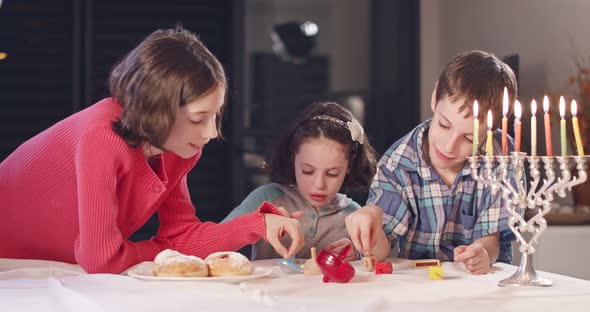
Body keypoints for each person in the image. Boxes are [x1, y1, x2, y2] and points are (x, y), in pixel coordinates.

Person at [0, 27, 304, 274]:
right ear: (158, 111)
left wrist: (258, 224)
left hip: (45, 270)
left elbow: (182, 236)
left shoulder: (175, 149)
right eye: (199, 118)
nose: (212, 133)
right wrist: (165, 250)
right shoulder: (100, 136)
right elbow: (102, 261)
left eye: (216, 115)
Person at [345, 50, 520, 274]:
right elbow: (379, 251)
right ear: (435, 95)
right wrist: (370, 221)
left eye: (468, 138)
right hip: (419, 287)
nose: (449, 146)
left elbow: (492, 239)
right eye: (444, 125)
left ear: (493, 130)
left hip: (480, 285)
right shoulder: (398, 164)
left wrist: (481, 253)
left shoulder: (501, 157)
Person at [223, 102, 378, 261]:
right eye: (307, 171)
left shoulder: (353, 214)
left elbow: (382, 259)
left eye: (332, 174)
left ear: (349, 166)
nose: (319, 185)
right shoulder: (267, 198)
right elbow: (216, 242)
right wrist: (257, 224)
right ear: (292, 158)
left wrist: (358, 254)